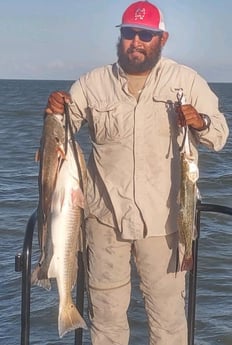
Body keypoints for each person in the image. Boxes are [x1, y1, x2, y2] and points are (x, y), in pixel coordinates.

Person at [45, 1, 229, 344]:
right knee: (106, 320)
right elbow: (63, 132)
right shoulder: (92, 83)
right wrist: (55, 113)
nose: (137, 41)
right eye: (130, 33)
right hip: (104, 221)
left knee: (168, 321)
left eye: (146, 34)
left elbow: (219, 134)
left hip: (164, 223)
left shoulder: (185, 80)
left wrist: (199, 122)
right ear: (121, 36)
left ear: (162, 38)